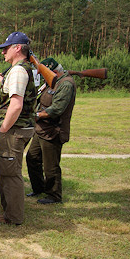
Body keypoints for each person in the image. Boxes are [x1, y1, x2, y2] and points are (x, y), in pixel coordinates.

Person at [0, 32, 37, 225]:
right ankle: (10, 212)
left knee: (10, 173)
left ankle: (13, 216)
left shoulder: (18, 71)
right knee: (8, 169)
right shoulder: (22, 70)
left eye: (6, 48)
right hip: (19, 129)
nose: (3, 53)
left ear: (17, 48)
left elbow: (16, 105)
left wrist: (3, 129)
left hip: (13, 131)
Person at [26, 57, 76, 204]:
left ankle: (54, 195)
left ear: (52, 71)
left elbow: (57, 109)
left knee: (51, 165)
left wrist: (35, 115)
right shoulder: (51, 82)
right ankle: (39, 188)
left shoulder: (65, 84)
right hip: (41, 129)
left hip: (53, 130)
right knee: (32, 158)